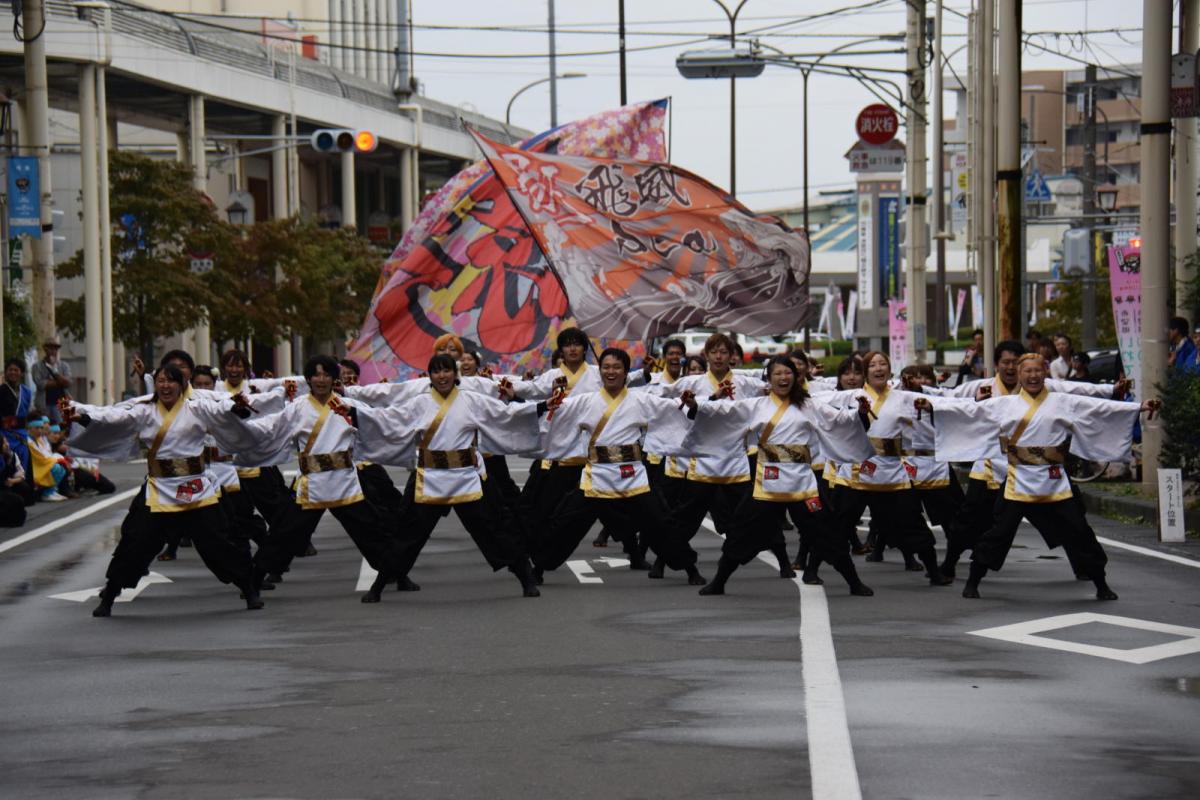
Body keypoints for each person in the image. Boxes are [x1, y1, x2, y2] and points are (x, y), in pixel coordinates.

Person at [920, 354, 1158, 600]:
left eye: (1037, 371)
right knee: (998, 533)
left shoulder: (1062, 401)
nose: (1032, 376)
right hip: (1017, 481)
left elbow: (1097, 408)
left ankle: (1101, 583)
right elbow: (970, 411)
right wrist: (933, 406)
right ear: (1021, 375)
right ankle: (973, 579)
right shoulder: (1004, 403)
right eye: (1027, 371)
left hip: (1054, 481)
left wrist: (1137, 407)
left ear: (1045, 373)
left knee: (1080, 531)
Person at [64, 365, 263, 617]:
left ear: (182, 385)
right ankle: (110, 595)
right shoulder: (144, 411)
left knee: (218, 542)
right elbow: (113, 417)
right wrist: (82, 416)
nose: (165, 386)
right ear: (155, 384)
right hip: (159, 488)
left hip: (195, 488)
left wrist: (236, 406)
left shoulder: (196, 408)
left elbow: (220, 407)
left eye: (171, 381)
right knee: (135, 542)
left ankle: (249, 589)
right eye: (160, 381)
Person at [353, 354, 543, 597]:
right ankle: (381, 584)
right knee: (407, 532)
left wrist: (540, 408)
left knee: (495, 527)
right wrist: (353, 413)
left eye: (446, 371)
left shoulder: (472, 400)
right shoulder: (419, 403)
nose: (441, 376)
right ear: (430, 376)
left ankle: (525, 577)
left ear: (455, 374)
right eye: (436, 371)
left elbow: (504, 416)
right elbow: (389, 420)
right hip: (430, 478)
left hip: (466, 477)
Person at [683, 356, 874, 596]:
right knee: (743, 531)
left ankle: (854, 582)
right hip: (767, 483)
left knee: (828, 531)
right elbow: (725, 411)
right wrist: (697, 405)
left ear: (795, 377)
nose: (783, 378)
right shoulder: (757, 405)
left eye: (788, 373)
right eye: (778, 374)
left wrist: (860, 412)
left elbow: (839, 420)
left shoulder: (809, 405)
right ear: (769, 379)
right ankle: (719, 581)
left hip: (802, 482)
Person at [230, 355, 407, 603]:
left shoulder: (347, 405)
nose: (321, 379)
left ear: (334, 378)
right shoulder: (298, 408)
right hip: (312, 484)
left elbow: (380, 423)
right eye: (316, 374)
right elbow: (271, 427)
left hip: (344, 482)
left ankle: (396, 576)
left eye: (326, 374)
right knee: (284, 533)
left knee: (371, 531)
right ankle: (255, 581)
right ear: (308, 379)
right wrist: (238, 425)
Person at [532, 347, 705, 585]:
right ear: (600, 371)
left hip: (631, 475)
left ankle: (689, 567)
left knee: (660, 522)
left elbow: (671, 410)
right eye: (606, 367)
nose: (611, 372)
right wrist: (543, 407)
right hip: (597, 475)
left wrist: (689, 405)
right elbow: (556, 416)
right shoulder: (584, 402)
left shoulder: (641, 400)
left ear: (626, 372)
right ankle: (539, 566)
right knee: (565, 521)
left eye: (617, 367)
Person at [826, 352, 952, 585]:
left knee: (912, 521)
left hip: (891, 471)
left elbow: (943, 400)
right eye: (872, 365)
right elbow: (817, 405)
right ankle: (815, 567)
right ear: (866, 372)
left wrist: (928, 404)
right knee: (839, 524)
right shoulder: (851, 397)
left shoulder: (902, 398)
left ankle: (934, 571)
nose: (878, 368)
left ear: (890, 369)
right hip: (857, 469)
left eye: (883, 364)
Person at [0, 358, 33, 477]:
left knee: (24, 459)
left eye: (16, 370)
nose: (13, 372)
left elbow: (27, 411)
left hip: (22, 433)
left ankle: (22, 487)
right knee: (7, 460)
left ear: (22, 373)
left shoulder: (26, 391)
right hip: (5, 433)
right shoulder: (1, 390)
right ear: (6, 372)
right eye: (10, 370)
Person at [31, 337, 72, 423]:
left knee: (66, 427)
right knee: (46, 428)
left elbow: (68, 383)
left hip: (63, 402)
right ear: (45, 349)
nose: (53, 351)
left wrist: (54, 371)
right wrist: (60, 382)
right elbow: (40, 384)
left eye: (55, 348)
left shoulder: (64, 365)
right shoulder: (37, 366)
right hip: (44, 404)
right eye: (50, 348)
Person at [0, 435, 32, 525]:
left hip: (7, 485)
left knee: (23, 489)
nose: (7, 445)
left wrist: (12, 481)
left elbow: (21, 474)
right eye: (3, 443)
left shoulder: (11, 455)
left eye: (6, 442)